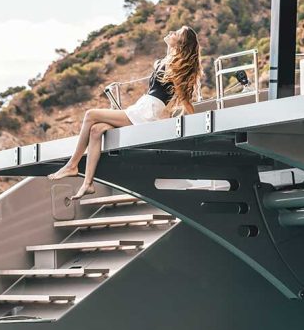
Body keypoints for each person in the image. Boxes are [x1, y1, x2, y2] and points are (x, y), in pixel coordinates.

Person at [48, 26, 203, 202]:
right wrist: (170, 45)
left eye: (176, 33)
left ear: (181, 43)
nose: (171, 33)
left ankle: (72, 165)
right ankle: (88, 183)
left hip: (147, 112)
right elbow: (166, 60)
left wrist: (193, 124)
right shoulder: (167, 61)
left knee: (90, 115)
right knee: (96, 130)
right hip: (142, 108)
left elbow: (184, 100)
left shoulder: (175, 67)